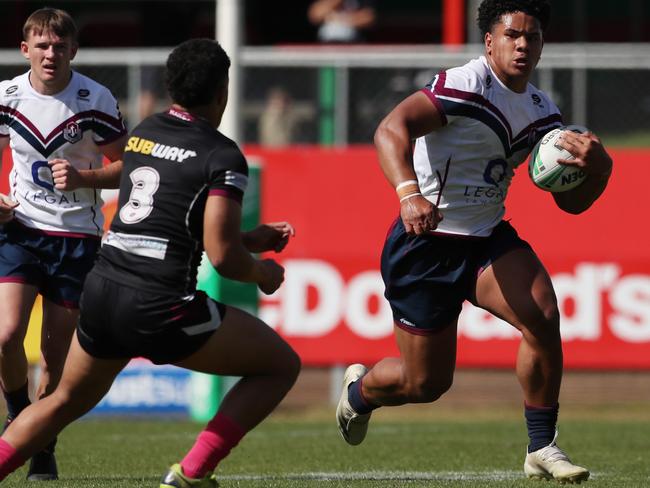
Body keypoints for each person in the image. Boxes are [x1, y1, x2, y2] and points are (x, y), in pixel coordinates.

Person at [0, 38, 301, 487]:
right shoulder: (222, 156)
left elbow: (170, 223)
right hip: (161, 304)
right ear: (223, 92)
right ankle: (193, 472)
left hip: (103, 291)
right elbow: (223, 258)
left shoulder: (145, 132)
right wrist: (261, 270)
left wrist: (246, 239)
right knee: (280, 365)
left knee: (61, 400)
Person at [336, 0, 612, 484]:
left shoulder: (544, 112)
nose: (523, 44)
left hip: (485, 238)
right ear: (490, 41)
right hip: (425, 241)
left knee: (543, 315)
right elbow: (389, 129)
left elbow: (571, 205)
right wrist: (408, 195)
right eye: (512, 35)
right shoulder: (465, 85)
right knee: (424, 383)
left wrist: (599, 169)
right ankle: (359, 395)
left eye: (533, 37)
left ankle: (541, 446)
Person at [0, 8, 127, 480]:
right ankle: (18, 415)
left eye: (59, 46)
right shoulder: (6, 97)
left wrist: (84, 176)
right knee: (6, 335)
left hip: (76, 238)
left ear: (73, 50)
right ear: (25, 49)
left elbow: (127, 165)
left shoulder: (96, 98)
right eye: (42, 45)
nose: (51, 54)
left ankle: (42, 443)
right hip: (21, 229)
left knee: (54, 359)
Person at [308, 0, 376, 44]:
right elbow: (315, 16)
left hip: (352, 44)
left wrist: (340, 19)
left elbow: (369, 18)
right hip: (327, 45)